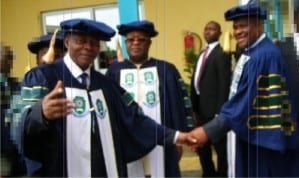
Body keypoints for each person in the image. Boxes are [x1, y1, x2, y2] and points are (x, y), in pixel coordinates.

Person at [19, 18, 193, 177]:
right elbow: (17, 122)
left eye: (94, 43)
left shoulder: (105, 84)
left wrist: (175, 136)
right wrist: (40, 113)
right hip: (61, 169)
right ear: (67, 42)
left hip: (103, 167)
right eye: (81, 41)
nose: (88, 47)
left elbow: (134, 118)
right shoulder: (43, 77)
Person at [188, 4, 299, 177]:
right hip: (254, 136)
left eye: (243, 25)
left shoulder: (263, 56)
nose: (237, 31)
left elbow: (243, 103)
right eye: (235, 27)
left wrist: (206, 131)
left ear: (257, 24)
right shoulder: (252, 53)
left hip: (264, 143)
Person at [106, 20, 194, 177]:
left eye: (141, 39)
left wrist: (177, 139)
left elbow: (177, 105)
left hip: (162, 138)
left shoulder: (166, 69)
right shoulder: (114, 72)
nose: (136, 43)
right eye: (131, 39)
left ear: (149, 43)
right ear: (126, 43)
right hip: (127, 140)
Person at [190, 20, 231, 177]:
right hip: (200, 110)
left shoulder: (222, 54)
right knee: (201, 146)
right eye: (206, 29)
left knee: (220, 148)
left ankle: (222, 174)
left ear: (219, 33)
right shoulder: (202, 53)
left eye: (212, 29)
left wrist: (219, 111)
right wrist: (193, 108)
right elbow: (196, 80)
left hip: (214, 111)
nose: (208, 32)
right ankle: (208, 173)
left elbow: (224, 83)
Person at [0, 44, 25, 177]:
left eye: (9, 59)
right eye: (4, 58)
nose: (7, 63)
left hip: (18, 150)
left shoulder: (19, 86)